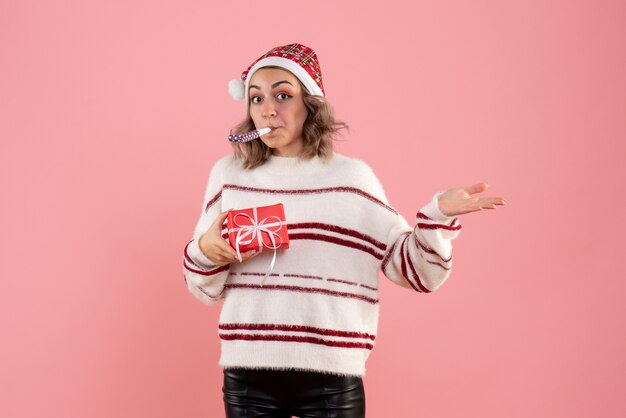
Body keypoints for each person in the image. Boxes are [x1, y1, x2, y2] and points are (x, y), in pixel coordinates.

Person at [182, 43, 507, 418]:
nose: (267, 109)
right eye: (255, 99)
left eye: (283, 95)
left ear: (311, 104)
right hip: (247, 380)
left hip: (331, 382)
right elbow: (202, 289)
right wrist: (205, 251)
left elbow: (418, 273)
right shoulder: (229, 176)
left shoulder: (351, 180)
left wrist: (438, 216)